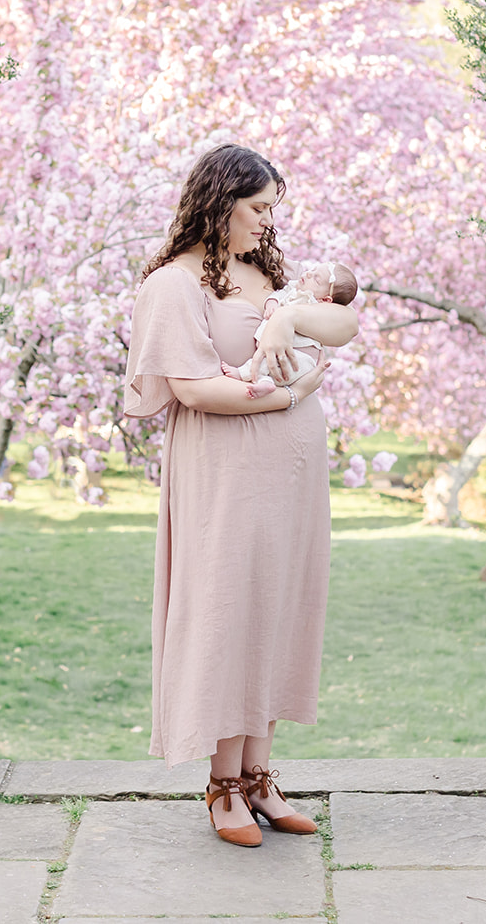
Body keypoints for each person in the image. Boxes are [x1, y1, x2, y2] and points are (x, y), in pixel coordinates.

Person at [123, 143, 358, 847]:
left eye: (272, 210)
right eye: (258, 208)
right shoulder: (173, 285)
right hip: (223, 473)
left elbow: (344, 323)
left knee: (278, 606)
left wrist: (285, 321)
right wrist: (286, 393)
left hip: (290, 477)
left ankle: (260, 774)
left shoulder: (264, 273)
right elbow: (196, 388)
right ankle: (222, 781)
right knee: (228, 608)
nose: (267, 222)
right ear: (219, 201)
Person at [221, 260, 358, 397]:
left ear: (326, 300)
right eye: (313, 270)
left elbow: (347, 321)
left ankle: (243, 373)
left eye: (317, 279)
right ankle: (265, 383)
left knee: (270, 360)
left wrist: (288, 316)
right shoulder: (294, 288)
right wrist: (272, 303)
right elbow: (280, 294)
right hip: (287, 356)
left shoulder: (314, 303)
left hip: (301, 357)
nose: (309, 274)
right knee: (270, 362)